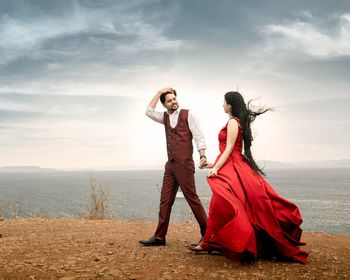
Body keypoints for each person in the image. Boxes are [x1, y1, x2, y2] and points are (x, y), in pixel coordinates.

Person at [190, 91, 308, 264]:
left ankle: (222, 242)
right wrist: (209, 164)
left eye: (224, 102)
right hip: (233, 165)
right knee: (222, 202)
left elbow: (230, 148)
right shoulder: (236, 122)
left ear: (230, 105)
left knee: (226, 202)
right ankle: (211, 241)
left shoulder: (232, 122)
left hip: (233, 166)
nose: (222, 105)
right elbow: (229, 152)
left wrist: (215, 167)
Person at [139, 87, 208, 246]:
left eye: (174, 98)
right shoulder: (164, 117)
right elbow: (148, 111)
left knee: (192, 199)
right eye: (169, 100)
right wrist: (158, 92)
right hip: (170, 165)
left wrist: (202, 155)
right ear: (164, 105)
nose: (173, 101)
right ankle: (159, 237)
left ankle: (208, 234)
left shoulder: (188, 114)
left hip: (184, 164)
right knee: (165, 201)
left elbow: (199, 137)